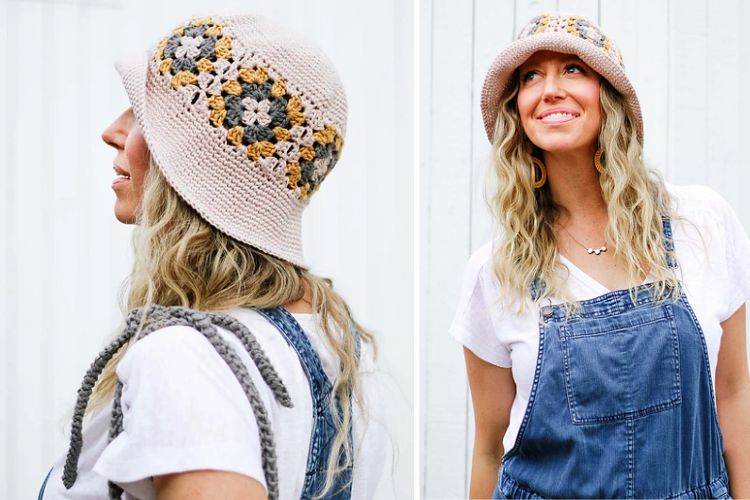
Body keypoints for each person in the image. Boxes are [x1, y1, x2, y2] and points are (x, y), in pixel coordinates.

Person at [38, 14, 385, 500]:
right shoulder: (341, 347)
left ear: (196, 156)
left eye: (140, 113)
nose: (112, 131)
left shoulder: (184, 357)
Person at [451, 12, 750, 499]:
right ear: (517, 111)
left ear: (610, 96)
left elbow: (734, 393)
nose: (549, 89)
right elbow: (489, 448)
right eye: (530, 76)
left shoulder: (701, 222)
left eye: (572, 69)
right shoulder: (496, 271)